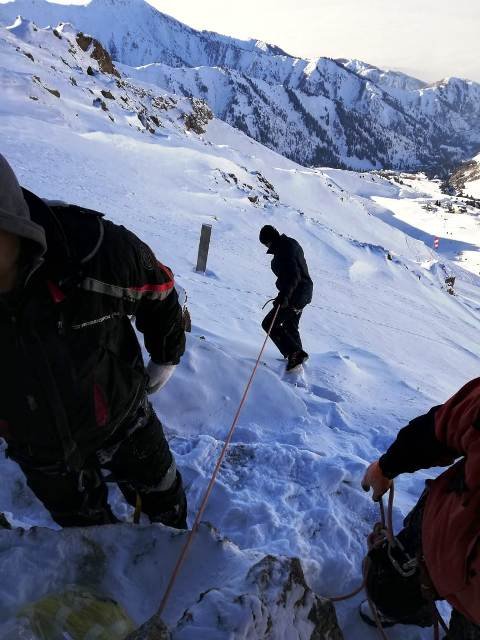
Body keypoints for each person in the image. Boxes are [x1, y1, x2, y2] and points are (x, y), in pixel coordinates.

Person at [0, 153, 188, 529]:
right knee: (86, 536)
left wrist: (165, 357)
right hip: (40, 451)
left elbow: (159, 287)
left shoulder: (87, 249)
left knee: (165, 509)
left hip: (121, 418)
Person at [362, 378, 480, 638]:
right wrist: (386, 467)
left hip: (443, 540)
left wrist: (385, 468)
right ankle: (409, 606)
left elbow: (442, 427)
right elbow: (442, 428)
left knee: (388, 585)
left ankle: (406, 605)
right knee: (389, 584)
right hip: (442, 536)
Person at [259, 225, 313, 372]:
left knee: (269, 323)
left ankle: (295, 354)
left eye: (265, 243)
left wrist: (284, 296)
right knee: (290, 325)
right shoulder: (290, 243)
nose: (266, 247)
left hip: (295, 294)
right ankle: (298, 359)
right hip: (304, 292)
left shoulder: (284, 249)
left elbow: (293, 275)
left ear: (269, 241)